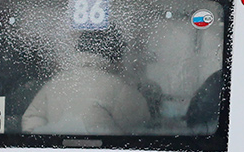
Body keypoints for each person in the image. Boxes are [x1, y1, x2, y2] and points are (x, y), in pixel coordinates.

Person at [21, 28, 149, 136]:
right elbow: (141, 123)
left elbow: (32, 118)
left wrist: (45, 143)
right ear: (115, 56)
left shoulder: (57, 82)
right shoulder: (117, 87)